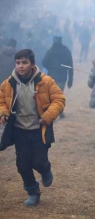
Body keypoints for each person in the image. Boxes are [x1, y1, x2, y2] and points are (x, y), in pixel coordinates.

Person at [0, 49, 65, 206]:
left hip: (38, 130)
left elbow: (59, 100)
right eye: (18, 63)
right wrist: (3, 112)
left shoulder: (46, 81)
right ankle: (33, 192)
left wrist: (47, 116)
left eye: (24, 63)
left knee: (37, 161)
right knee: (22, 164)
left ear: (32, 64)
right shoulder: (9, 83)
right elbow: (1, 100)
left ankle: (45, 169)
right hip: (19, 130)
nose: (20, 66)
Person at [42, 36, 73, 119]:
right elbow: (70, 66)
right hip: (62, 77)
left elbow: (44, 62)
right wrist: (70, 80)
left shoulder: (50, 51)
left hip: (52, 76)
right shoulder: (66, 51)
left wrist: (51, 67)